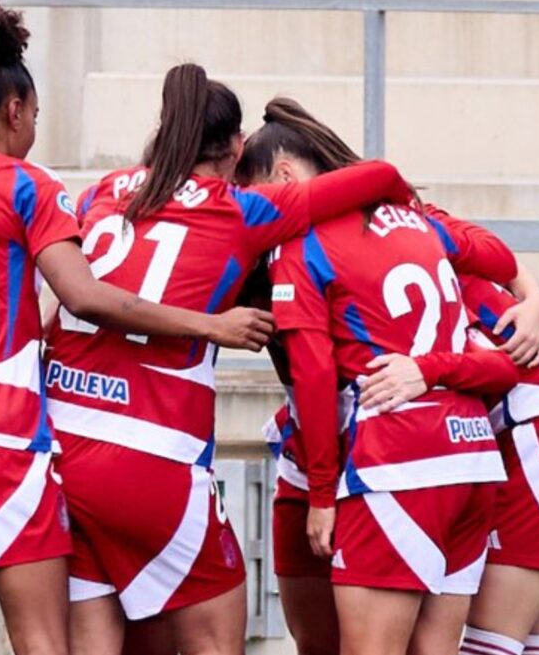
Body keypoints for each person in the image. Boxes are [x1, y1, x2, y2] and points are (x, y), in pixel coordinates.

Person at [0, 2, 272, 655]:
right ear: (16, 109)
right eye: (37, 117)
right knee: (44, 638)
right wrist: (209, 324)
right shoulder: (29, 186)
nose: (35, 131)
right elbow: (83, 295)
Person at [44, 63, 418, 655]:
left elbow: (69, 301)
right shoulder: (241, 209)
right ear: (237, 146)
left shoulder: (101, 191)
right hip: (152, 452)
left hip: (60, 443)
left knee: (97, 638)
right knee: (217, 641)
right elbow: (383, 175)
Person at [235, 97, 539, 655]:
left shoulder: (301, 243)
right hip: (469, 457)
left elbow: (311, 370)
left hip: (393, 457)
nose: (247, 215)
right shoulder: (419, 220)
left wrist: (325, 494)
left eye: (251, 193)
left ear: (284, 176)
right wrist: (534, 296)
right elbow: (496, 257)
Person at [364, 274, 539, 655]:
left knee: (492, 642)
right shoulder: (435, 238)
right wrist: (534, 293)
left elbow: (497, 365)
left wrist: (428, 370)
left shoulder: (408, 247)